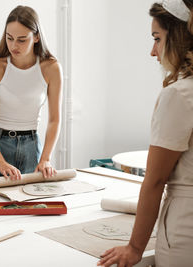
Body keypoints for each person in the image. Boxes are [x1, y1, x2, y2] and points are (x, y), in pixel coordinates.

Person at [98, 1, 193, 266]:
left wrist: (134, 247)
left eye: (157, 39)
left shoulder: (179, 93)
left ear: (179, 39)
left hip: (185, 233)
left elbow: (154, 180)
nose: (153, 51)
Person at [0, 5, 62, 183]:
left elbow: (54, 120)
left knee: (30, 206)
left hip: (31, 147)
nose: (14, 45)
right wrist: (0, 162)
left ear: (36, 37)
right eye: (10, 38)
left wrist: (45, 158)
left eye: (22, 40)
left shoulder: (51, 68)